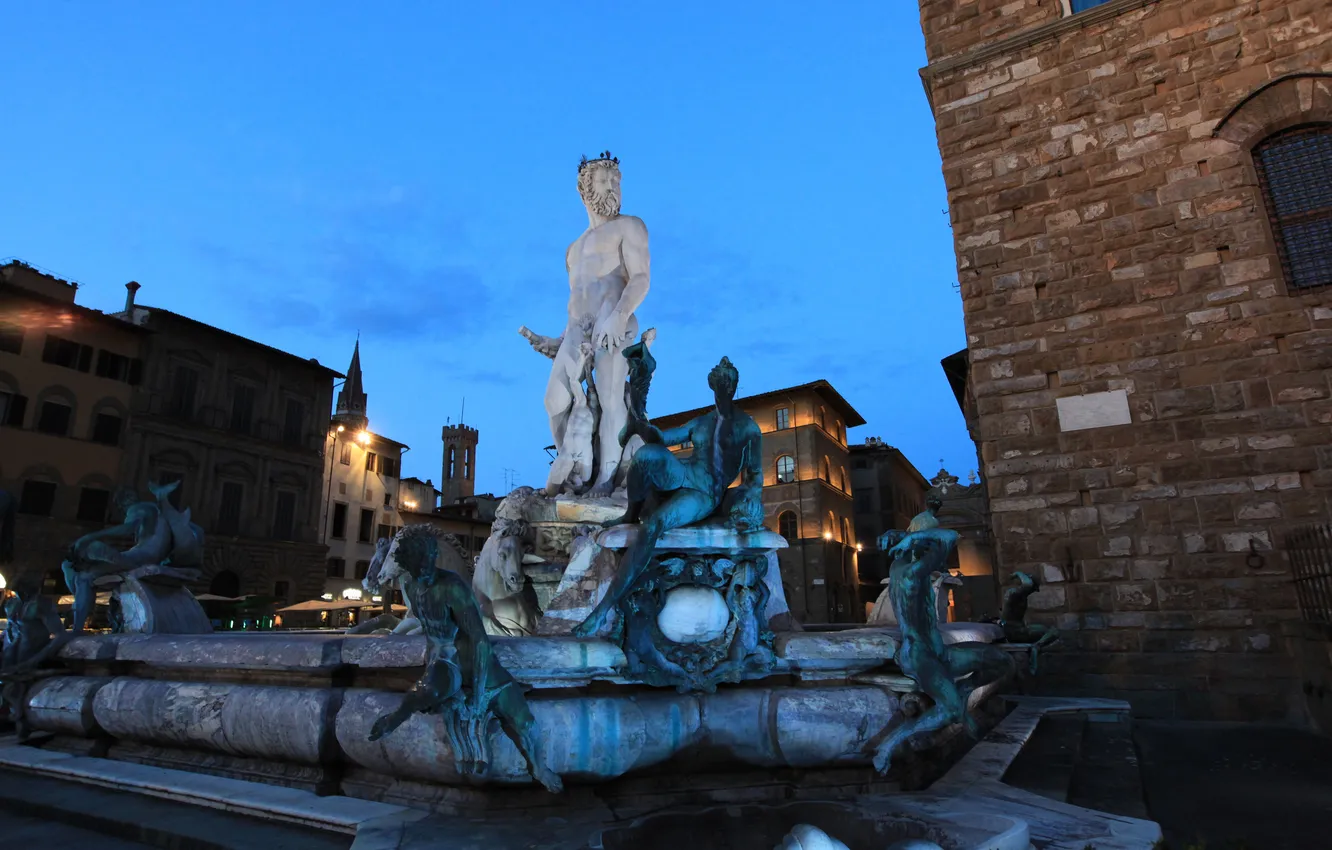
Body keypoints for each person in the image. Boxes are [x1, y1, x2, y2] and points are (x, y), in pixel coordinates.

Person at [573, 356, 763, 638]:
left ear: (734, 387)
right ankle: (629, 514)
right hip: (685, 474)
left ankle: (602, 611)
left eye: (729, 383)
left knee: (654, 525)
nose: (724, 388)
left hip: (704, 493)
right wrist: (639, 419)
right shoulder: (702, 422)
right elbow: (661, 439)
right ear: (713, 386)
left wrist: (750, 496)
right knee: (647, 454)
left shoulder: (748, 429)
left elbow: (755, 475)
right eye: (720, 382)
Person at [520, 152, 650, 496]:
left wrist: (619, 316)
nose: (614, 187)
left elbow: (640, 278)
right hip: (577, 330)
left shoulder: (630, 226)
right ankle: (577, 470)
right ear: (584, 190)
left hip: (614, 317)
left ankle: (606, 479)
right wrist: (557, 339)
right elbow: (577, 300)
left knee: (610, 397)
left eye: (617, 181)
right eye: (605, 181)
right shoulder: (573, 250)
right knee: (554, 401)